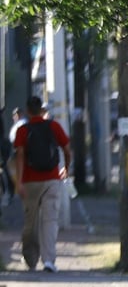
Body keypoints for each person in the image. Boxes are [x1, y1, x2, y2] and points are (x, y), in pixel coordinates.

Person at [13, 96, 72, 272]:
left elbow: (20, 156)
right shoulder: (54, 127)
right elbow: (67, 149)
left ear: (28, 111)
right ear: (41, 110)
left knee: (30, 222)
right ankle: (49, 261)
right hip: (52, 179)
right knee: (50, 221)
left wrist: (19, 182)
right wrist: (66, 168)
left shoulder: (23, 130)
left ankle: (30, 259)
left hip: (30, 181)